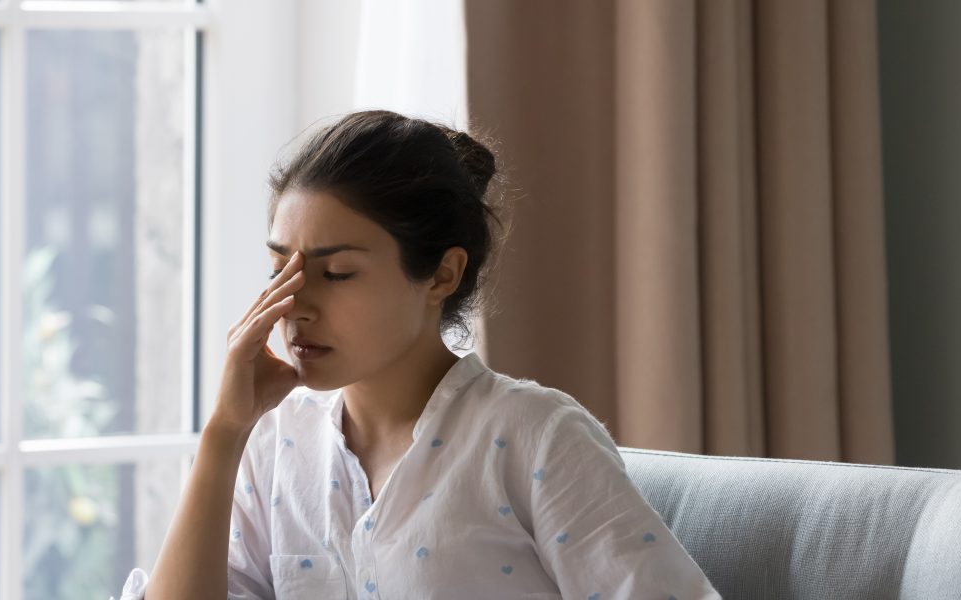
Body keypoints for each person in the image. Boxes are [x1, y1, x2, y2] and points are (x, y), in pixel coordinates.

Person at [114, 110, 721, 599]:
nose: (294, 304)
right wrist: (224, 434)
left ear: (441, 275)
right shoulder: (274, 446)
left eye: (338, 272)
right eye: (280, 269)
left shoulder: (534, 436)